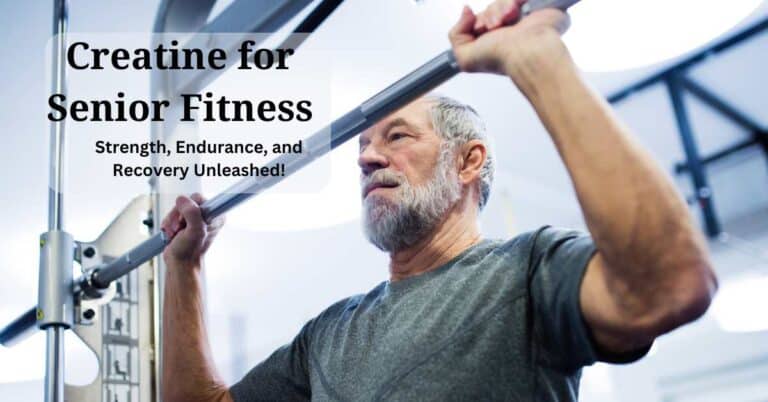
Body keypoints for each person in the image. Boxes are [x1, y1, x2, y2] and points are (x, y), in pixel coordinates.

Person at [160, 1, 718, 401]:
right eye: (362, 146)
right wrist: (184, 267)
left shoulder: (524, 273)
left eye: (396, 136)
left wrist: (536, 57)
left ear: (468, 161)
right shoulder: (329, 335)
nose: (366, 158)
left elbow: (666, 286)